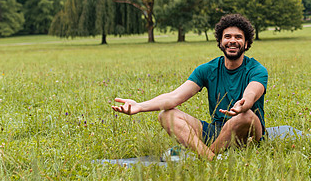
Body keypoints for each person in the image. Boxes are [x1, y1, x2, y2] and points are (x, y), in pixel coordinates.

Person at [111, 13, 267, 161]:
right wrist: (139, 106)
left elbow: (252, 92)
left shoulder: (257, 70)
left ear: (246, 43)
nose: (232, 41)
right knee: (166, 115)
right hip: (217, 130)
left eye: (238, 37)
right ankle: (211, 157)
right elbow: (174, 97)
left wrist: (243, 103)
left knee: (245, 116)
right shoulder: (207, 69)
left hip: (249, 133)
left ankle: (201, 154)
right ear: (220, 42)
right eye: (227, 37)